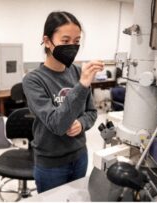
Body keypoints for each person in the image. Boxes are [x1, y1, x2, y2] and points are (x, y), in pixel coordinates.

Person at [23, 11, 104, 193]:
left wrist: (81, 124)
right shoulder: (33, 80)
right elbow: (57, 124)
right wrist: (82, 85)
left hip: (80, 155)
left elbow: (91, 113)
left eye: (76, 42)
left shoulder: (76, 73)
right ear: (47, 41)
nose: (72, 47)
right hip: (51, 163)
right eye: (65, 41)